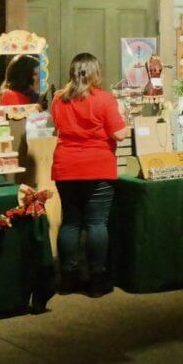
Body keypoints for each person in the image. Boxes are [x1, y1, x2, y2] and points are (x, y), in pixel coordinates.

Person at [51, 53, 129, 297]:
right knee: (96, 223)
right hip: (98, 166)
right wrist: (126, 120)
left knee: (71, 222)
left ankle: (67, 278)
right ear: (96, 72)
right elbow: (120, 134)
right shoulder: (105, 99)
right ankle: (97, 279)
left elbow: (58, 127)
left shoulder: (58, 99)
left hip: (66, 166)